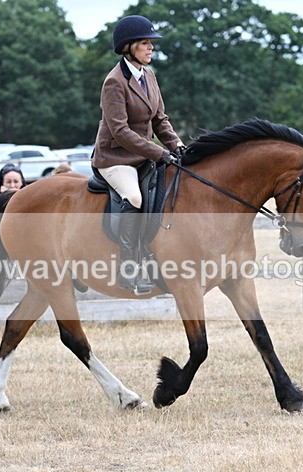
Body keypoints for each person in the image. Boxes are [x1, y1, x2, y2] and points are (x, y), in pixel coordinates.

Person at [91, 14, 185, 295]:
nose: (151, 48)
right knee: (134, 197)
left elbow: (160, 119)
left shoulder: (149, 76)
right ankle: (128, 270)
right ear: (128, 46)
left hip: (142, 155)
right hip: (115, 158)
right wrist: (158, 152)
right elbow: (119, 131)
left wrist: (177, 147)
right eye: (145, 43)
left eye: (151, 44)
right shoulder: (114, 82)